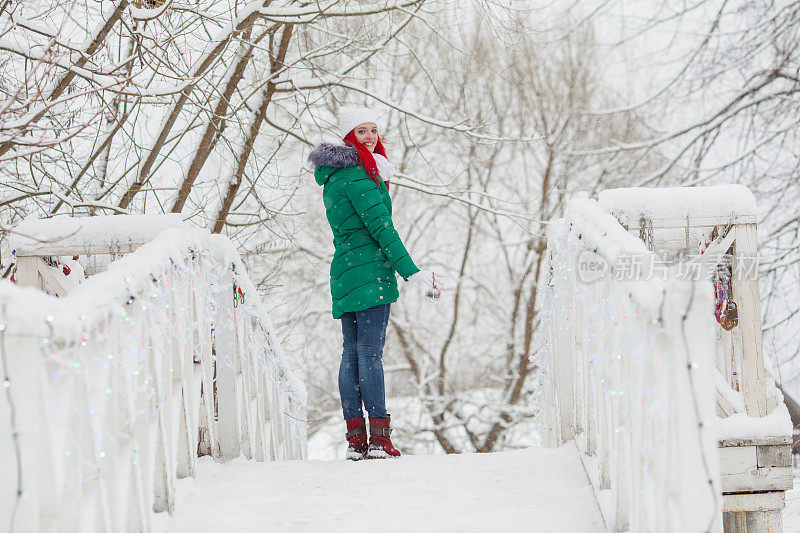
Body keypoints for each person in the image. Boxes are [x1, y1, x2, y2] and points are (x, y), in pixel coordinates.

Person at [308, 106, 443, 460]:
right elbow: (382, 228)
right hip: (370, 272)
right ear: (349, 137)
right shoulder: (358, 176)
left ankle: (356, 440)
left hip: (346, 270)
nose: (370, 137)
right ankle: (380, 440)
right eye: (362, 131)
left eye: (374, 130)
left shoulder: (335, 176)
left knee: (351, 354)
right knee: (369, 354)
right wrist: (410, 271)